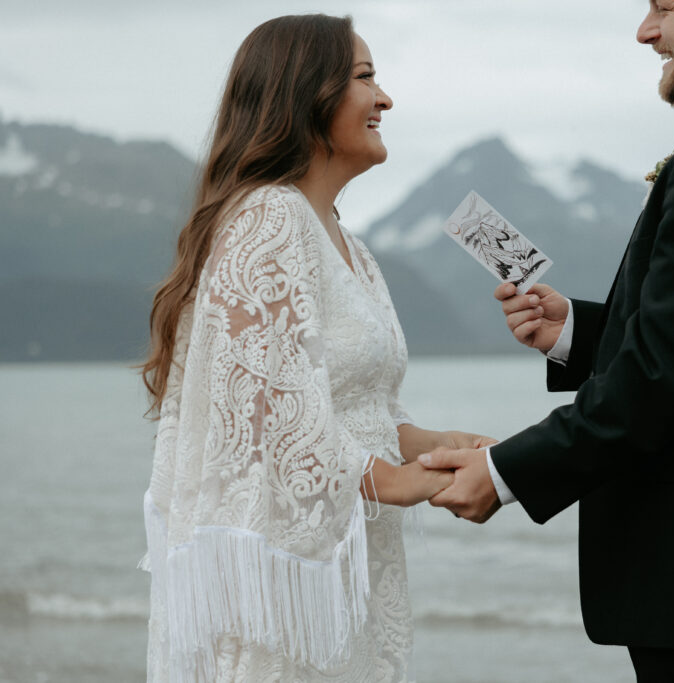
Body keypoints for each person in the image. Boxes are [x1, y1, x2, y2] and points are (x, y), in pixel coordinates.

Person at [418, 0, 674, 680]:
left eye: (664, 7)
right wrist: (577, 332)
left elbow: (662, 376)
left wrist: (504, 473)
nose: (645, 31)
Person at [139, 15, 492, 682]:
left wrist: (440, 443)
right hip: (284, 591)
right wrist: (393, 480)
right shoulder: (268, 218)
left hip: (348, 564)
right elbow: (268, 408)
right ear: (308, 96)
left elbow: (357, 410)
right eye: (365, 78)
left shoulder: (344, 242)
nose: (384, 99)